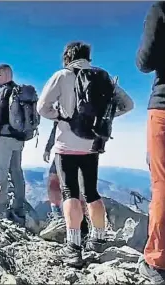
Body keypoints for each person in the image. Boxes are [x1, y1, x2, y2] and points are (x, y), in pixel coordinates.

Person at [37, 41, 133, 267]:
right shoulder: (103, 77)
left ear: (67, 56)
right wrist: (104, 120)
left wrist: (60, 116)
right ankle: (98, 239)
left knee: (69, 191)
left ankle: (74, 248)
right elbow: (128, 105)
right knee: (91, 191)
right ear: (88, 57)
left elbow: (42, 108)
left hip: (65, 145)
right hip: (92, 144)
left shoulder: (62, 75)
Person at [136, 2, 165, 282]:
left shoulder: (161, 8)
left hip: (164, 107)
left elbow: (145, 61)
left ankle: (157, 261)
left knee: (162, 183)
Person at [0, 64, 26, 219]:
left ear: (6, 75)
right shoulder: (20, 91)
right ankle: (19, 206)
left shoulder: (4, 91)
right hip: (18, 139)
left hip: (3, 138)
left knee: (1, 174)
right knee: (16, 172)